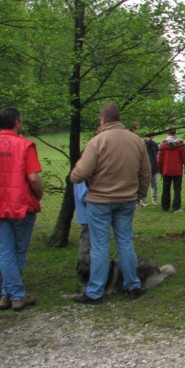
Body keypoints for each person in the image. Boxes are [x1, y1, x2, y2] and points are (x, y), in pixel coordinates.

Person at [69, 103, 151, 304]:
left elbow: (81, 173)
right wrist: (139, 193)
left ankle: (95, 291)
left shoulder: (97, 142)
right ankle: (132, 285)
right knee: (125, 242)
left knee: (99, 246)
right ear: (119, 118)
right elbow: (146, 172)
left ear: (102, 120)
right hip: (126, 200)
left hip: (100, 202)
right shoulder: (136, 141)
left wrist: (74, 176)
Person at [0, 107, 43, 311]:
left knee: (5, 251)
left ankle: (6, 295)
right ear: (17, 122)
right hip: (21, 203)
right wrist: (39, 194)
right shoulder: (25, 145)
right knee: (18, 250)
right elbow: (33, 177)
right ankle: (16, 295)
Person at [157, 127, 185, 212]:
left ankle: (165, 207)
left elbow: (159, 159)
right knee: (177, 190)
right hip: (177, 171)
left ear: (168, 133)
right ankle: (176, 207)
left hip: (166, 171)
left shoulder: (163, 144)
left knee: (166, 189)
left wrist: (160, 170)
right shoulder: (180, 144)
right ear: (175, 133)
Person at [141, 134, 159, 206]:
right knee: (144, 186)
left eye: (151, 136)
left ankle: (155, 200)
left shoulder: (155, 144)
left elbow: (157, 154)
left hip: (154, 168)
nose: (150, 138)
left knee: (154, 186)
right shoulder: (142, 145)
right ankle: (143, 200)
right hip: (145, 169)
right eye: (148, 136)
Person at [73, 181, 90, 258]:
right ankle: (86, 267)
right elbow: (84, 196)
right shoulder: (83, 174)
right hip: (89, 216)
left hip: (89, 216)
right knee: (87, 245)